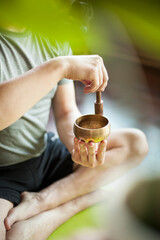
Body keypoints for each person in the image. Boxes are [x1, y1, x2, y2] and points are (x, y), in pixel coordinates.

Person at [0, 25, 148, 240]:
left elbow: (66, 112)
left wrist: (77, 145)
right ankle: (82, 198)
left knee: (136, 143)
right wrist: (59, 66)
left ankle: (45, 200)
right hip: (5, 172)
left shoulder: (52, 34)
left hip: (42, 153)